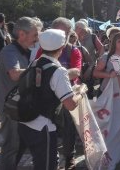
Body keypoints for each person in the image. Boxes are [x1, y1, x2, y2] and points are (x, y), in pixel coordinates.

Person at [18, 29, 87, 170]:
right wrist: (82, 91)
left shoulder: (35, 63)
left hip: (26, 122)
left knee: (39, 163)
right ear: (61, 48)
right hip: (43, 127)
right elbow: (70, 104)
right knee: (48, 166)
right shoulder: (58, 71)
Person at [0, 17, 42, 170]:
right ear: (22, 34)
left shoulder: (23, 50)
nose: (37, 39)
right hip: (10, 108)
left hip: (17, 107)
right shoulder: (10, 51)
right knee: (11, 147)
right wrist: (40, 71)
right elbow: (15, 74)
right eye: (35, 35)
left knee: (20, 145)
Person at [93, 31, 120, 96]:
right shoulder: (106, 57)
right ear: (114, 43)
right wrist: (109, 75)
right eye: (119, 41)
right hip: (106, 93)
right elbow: (95, 73)